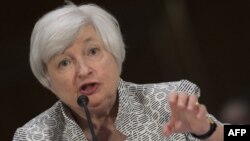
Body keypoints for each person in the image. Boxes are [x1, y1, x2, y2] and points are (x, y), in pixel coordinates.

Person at [13, 2, 224, 141]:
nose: (83, 70)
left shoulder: (168, 100)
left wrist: (207, 130)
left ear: (115, 54)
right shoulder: (35, 136)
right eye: (64, 63)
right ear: (48, 79)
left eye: (93, 51)